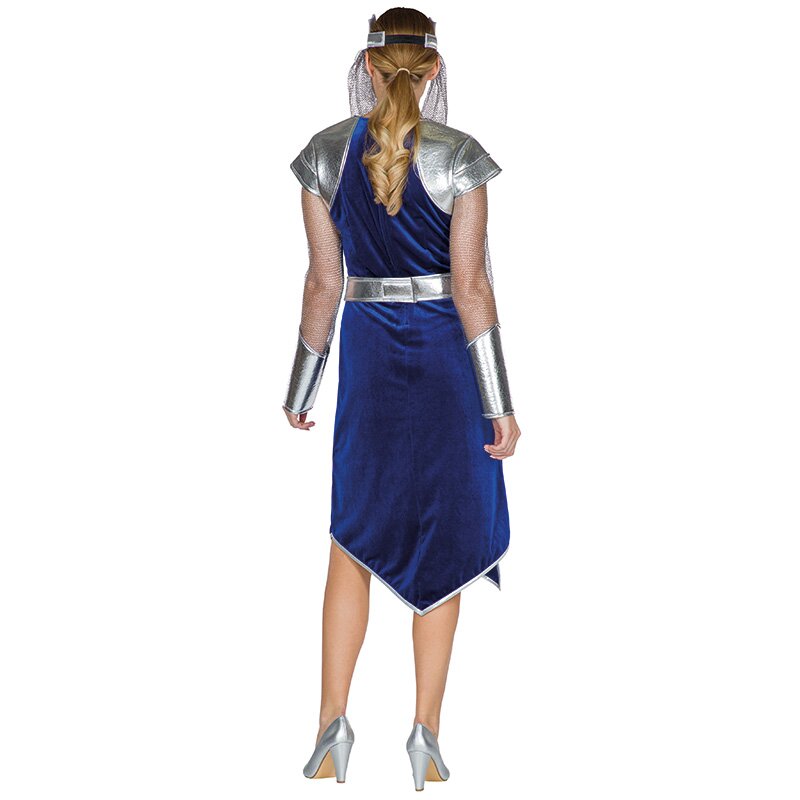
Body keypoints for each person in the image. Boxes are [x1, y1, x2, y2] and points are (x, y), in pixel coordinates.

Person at [282, 8, 521, 790]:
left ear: (369, 65)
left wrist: (302, 384)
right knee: (443, 546)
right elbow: (472, 286)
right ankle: (426, 737)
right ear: (435, 69)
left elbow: (324, 283)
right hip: (449, 366)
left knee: (353, 533)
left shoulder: (324, 155)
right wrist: (500, 403)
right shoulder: (460, 157)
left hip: (372, 360)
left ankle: (330, 728)